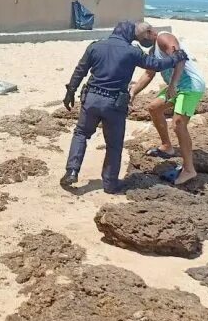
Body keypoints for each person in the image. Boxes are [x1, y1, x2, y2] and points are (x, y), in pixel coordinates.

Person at [61, 21, 186, 193]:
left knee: (81, 134)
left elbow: (80, 71)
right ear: (128, 34)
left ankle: (72, 171)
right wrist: (177, 57)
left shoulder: (95, 47)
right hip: (114, 104)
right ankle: (110, 183)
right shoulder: (132, 52)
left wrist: (70, 92)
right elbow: (156, 65)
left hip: (91, 99)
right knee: (114, 145)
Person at [130, 30, 207, 184]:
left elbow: (180, 57)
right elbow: (148, 74)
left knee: (179, 124)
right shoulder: (153, 51)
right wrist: (133, 92)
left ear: (150, 32)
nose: (140, 41)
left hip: (190, 86)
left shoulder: (163, 37)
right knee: (154, 108)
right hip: (177, 87)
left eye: (141, 37)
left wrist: (173, 83)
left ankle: (189, 170)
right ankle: (167, 146)